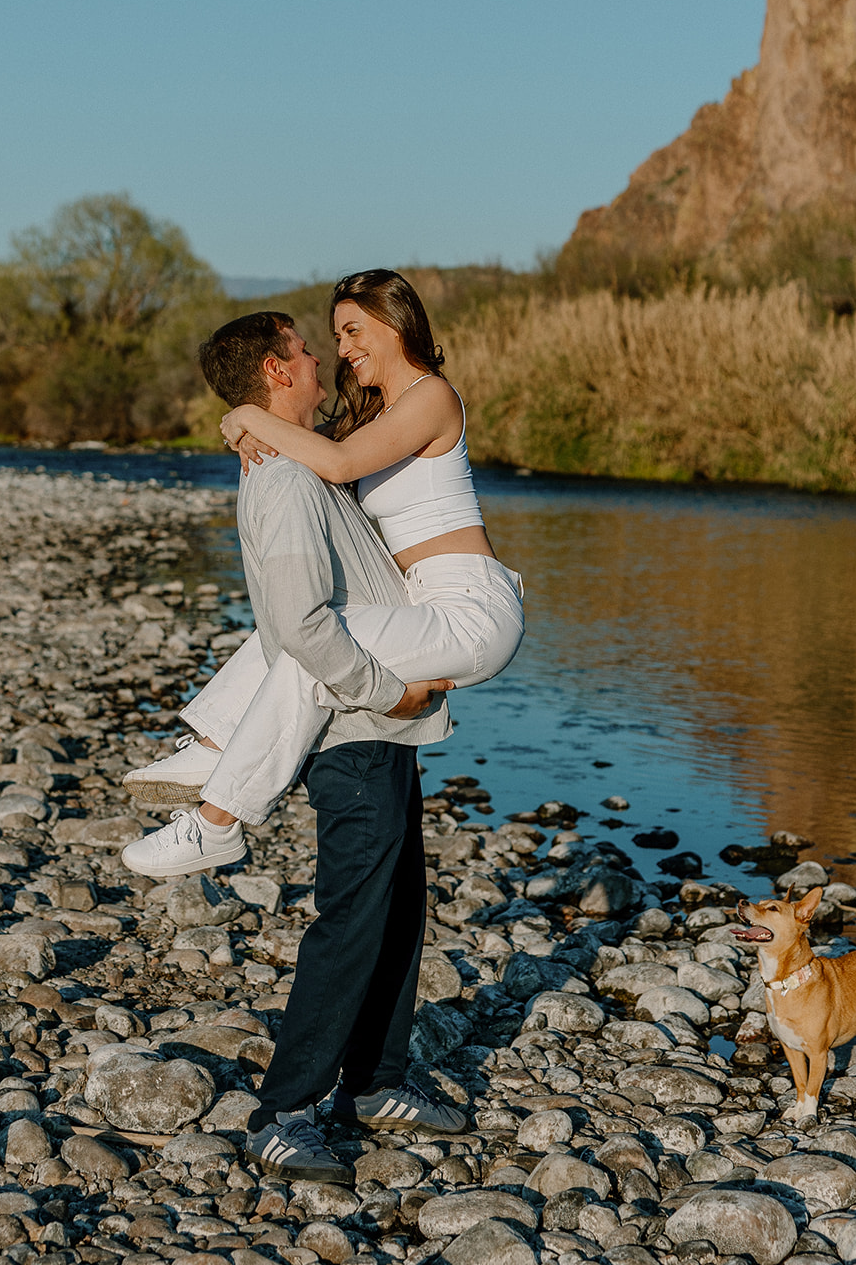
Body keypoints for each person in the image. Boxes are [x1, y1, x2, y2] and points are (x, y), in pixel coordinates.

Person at [123, 309, 465, 1181]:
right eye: (305, 349)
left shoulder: (299, 461)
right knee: (351, 920)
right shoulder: (280, 481)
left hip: (378, 730)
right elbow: (300, 627)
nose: (319, 357)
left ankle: (377, 1081)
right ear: (278, 371)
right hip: (348, 731)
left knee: (397, 909)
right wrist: (392, 688)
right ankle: (284, 1112)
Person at [122, 269, 524, 846]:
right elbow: (310, 445)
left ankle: (218, 817)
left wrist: (247, 417)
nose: (343, 349)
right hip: (422, 603)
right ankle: (211, 749)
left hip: (471, 610)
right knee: (301, 636)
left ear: (394, 323)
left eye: (353, 331)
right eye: (335, 337)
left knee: (308, 645)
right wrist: (246, 429)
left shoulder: (432, 397)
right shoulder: (371, 419)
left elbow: (334, 465)